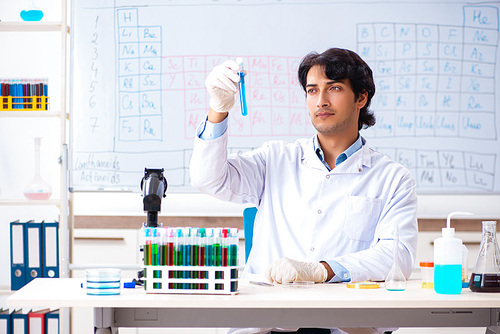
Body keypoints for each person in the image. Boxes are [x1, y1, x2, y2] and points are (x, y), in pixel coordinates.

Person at [189, 48, 418, 334]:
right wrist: (218, 109)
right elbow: (208, 179)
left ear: (361, 97)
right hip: (267, 326)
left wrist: (323, 269)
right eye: (312, 90)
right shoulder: (275, 159)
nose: (321, 101)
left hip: (348, 329)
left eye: (333, 88)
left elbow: (396, 256)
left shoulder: (393, 178)